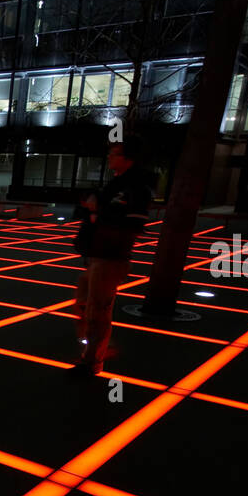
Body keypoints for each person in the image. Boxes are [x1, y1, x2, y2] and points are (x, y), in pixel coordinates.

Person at [67, 134, 150, 377]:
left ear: (127, 159)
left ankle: (92, 361)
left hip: (111, 257)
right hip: (97, 255)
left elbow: (132, 225)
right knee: (84, 303)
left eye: (114, 154)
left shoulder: (135, 189)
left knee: (97, 310)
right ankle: (96, 346)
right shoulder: (115, 185)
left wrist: (97, 213)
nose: (109, 157)